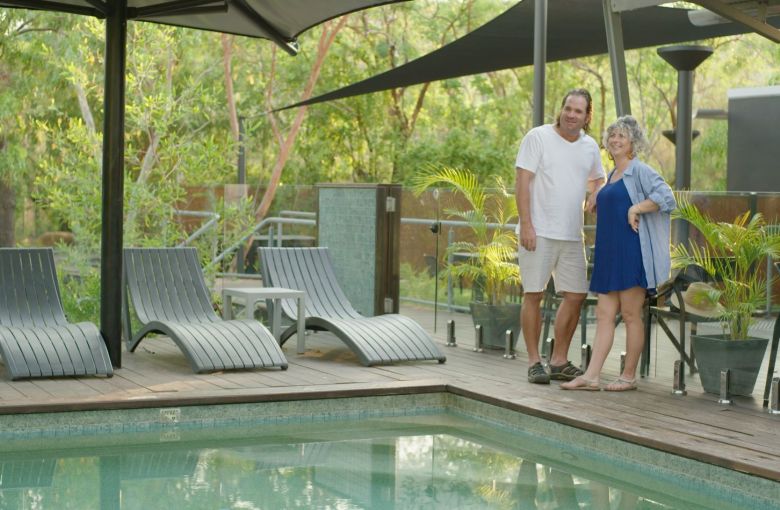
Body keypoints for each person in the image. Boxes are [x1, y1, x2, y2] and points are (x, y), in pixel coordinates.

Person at [562, 115, 676, 391]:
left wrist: (636, 208)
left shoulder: (640, 171)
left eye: (621, 136)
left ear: (633, 143)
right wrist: (595, 198)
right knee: (604, 314)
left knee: (631, 314)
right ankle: (591, 376)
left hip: (631, 252)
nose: (615, 140)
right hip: (608, 254)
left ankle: (628, 376)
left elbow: (667, 197)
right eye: (612, 135)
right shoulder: (612, 175)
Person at [515, 88, 606, 384]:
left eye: (578, 111)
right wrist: (526, 225)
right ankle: (534, 362)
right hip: (538, 231)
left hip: (572, 235)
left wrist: (596, 193)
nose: (571, 115)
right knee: (534, 294)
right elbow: (522, 181)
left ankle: (558, 360)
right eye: (568, 108)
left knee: (576, 295)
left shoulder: (590, 146)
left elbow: (599, 178)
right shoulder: (538, 137)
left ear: (587, 116)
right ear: (561, 109)